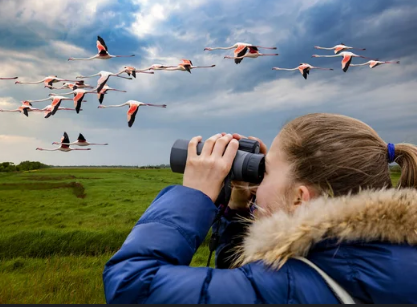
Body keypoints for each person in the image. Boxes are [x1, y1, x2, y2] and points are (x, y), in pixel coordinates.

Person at [102, 113, 417, 304]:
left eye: (264, 172)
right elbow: (244, 280)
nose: (256, 182)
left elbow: (132, 286)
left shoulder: (286, 285)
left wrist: (193, 194)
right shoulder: (391, 257)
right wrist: (238, 211)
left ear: (299, 198)